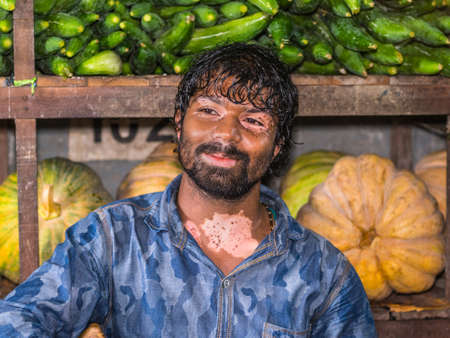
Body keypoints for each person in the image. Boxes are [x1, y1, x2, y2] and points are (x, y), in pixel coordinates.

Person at [0, 42, 376, 337]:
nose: (227, 133)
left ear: (278, 145)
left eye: (254, 120)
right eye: (209, 111)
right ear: (179, 126)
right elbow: (18, 321)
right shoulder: (111, 240)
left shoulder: (324, 273)